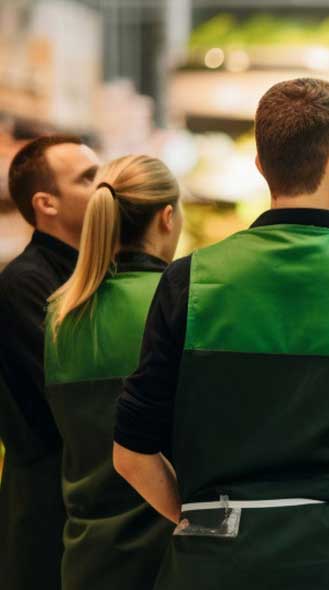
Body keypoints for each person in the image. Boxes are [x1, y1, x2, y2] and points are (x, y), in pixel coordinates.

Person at [112, 78, 329, 590]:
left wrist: (199, 516)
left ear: (260, 166)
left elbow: (131, 452)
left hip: (216, 565)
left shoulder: (190, 281)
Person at [44, 155, 182, 589]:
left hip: (87, 557)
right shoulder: (181, 303)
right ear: (166, 218)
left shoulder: (60, 313)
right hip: (167, 558)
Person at [0, 134, 99, 590]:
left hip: (84, 499)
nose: (105, 188)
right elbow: (74, 394)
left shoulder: (93, 273)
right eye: (88, 178)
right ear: (47, 203)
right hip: (46, 512)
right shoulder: (24, 285)